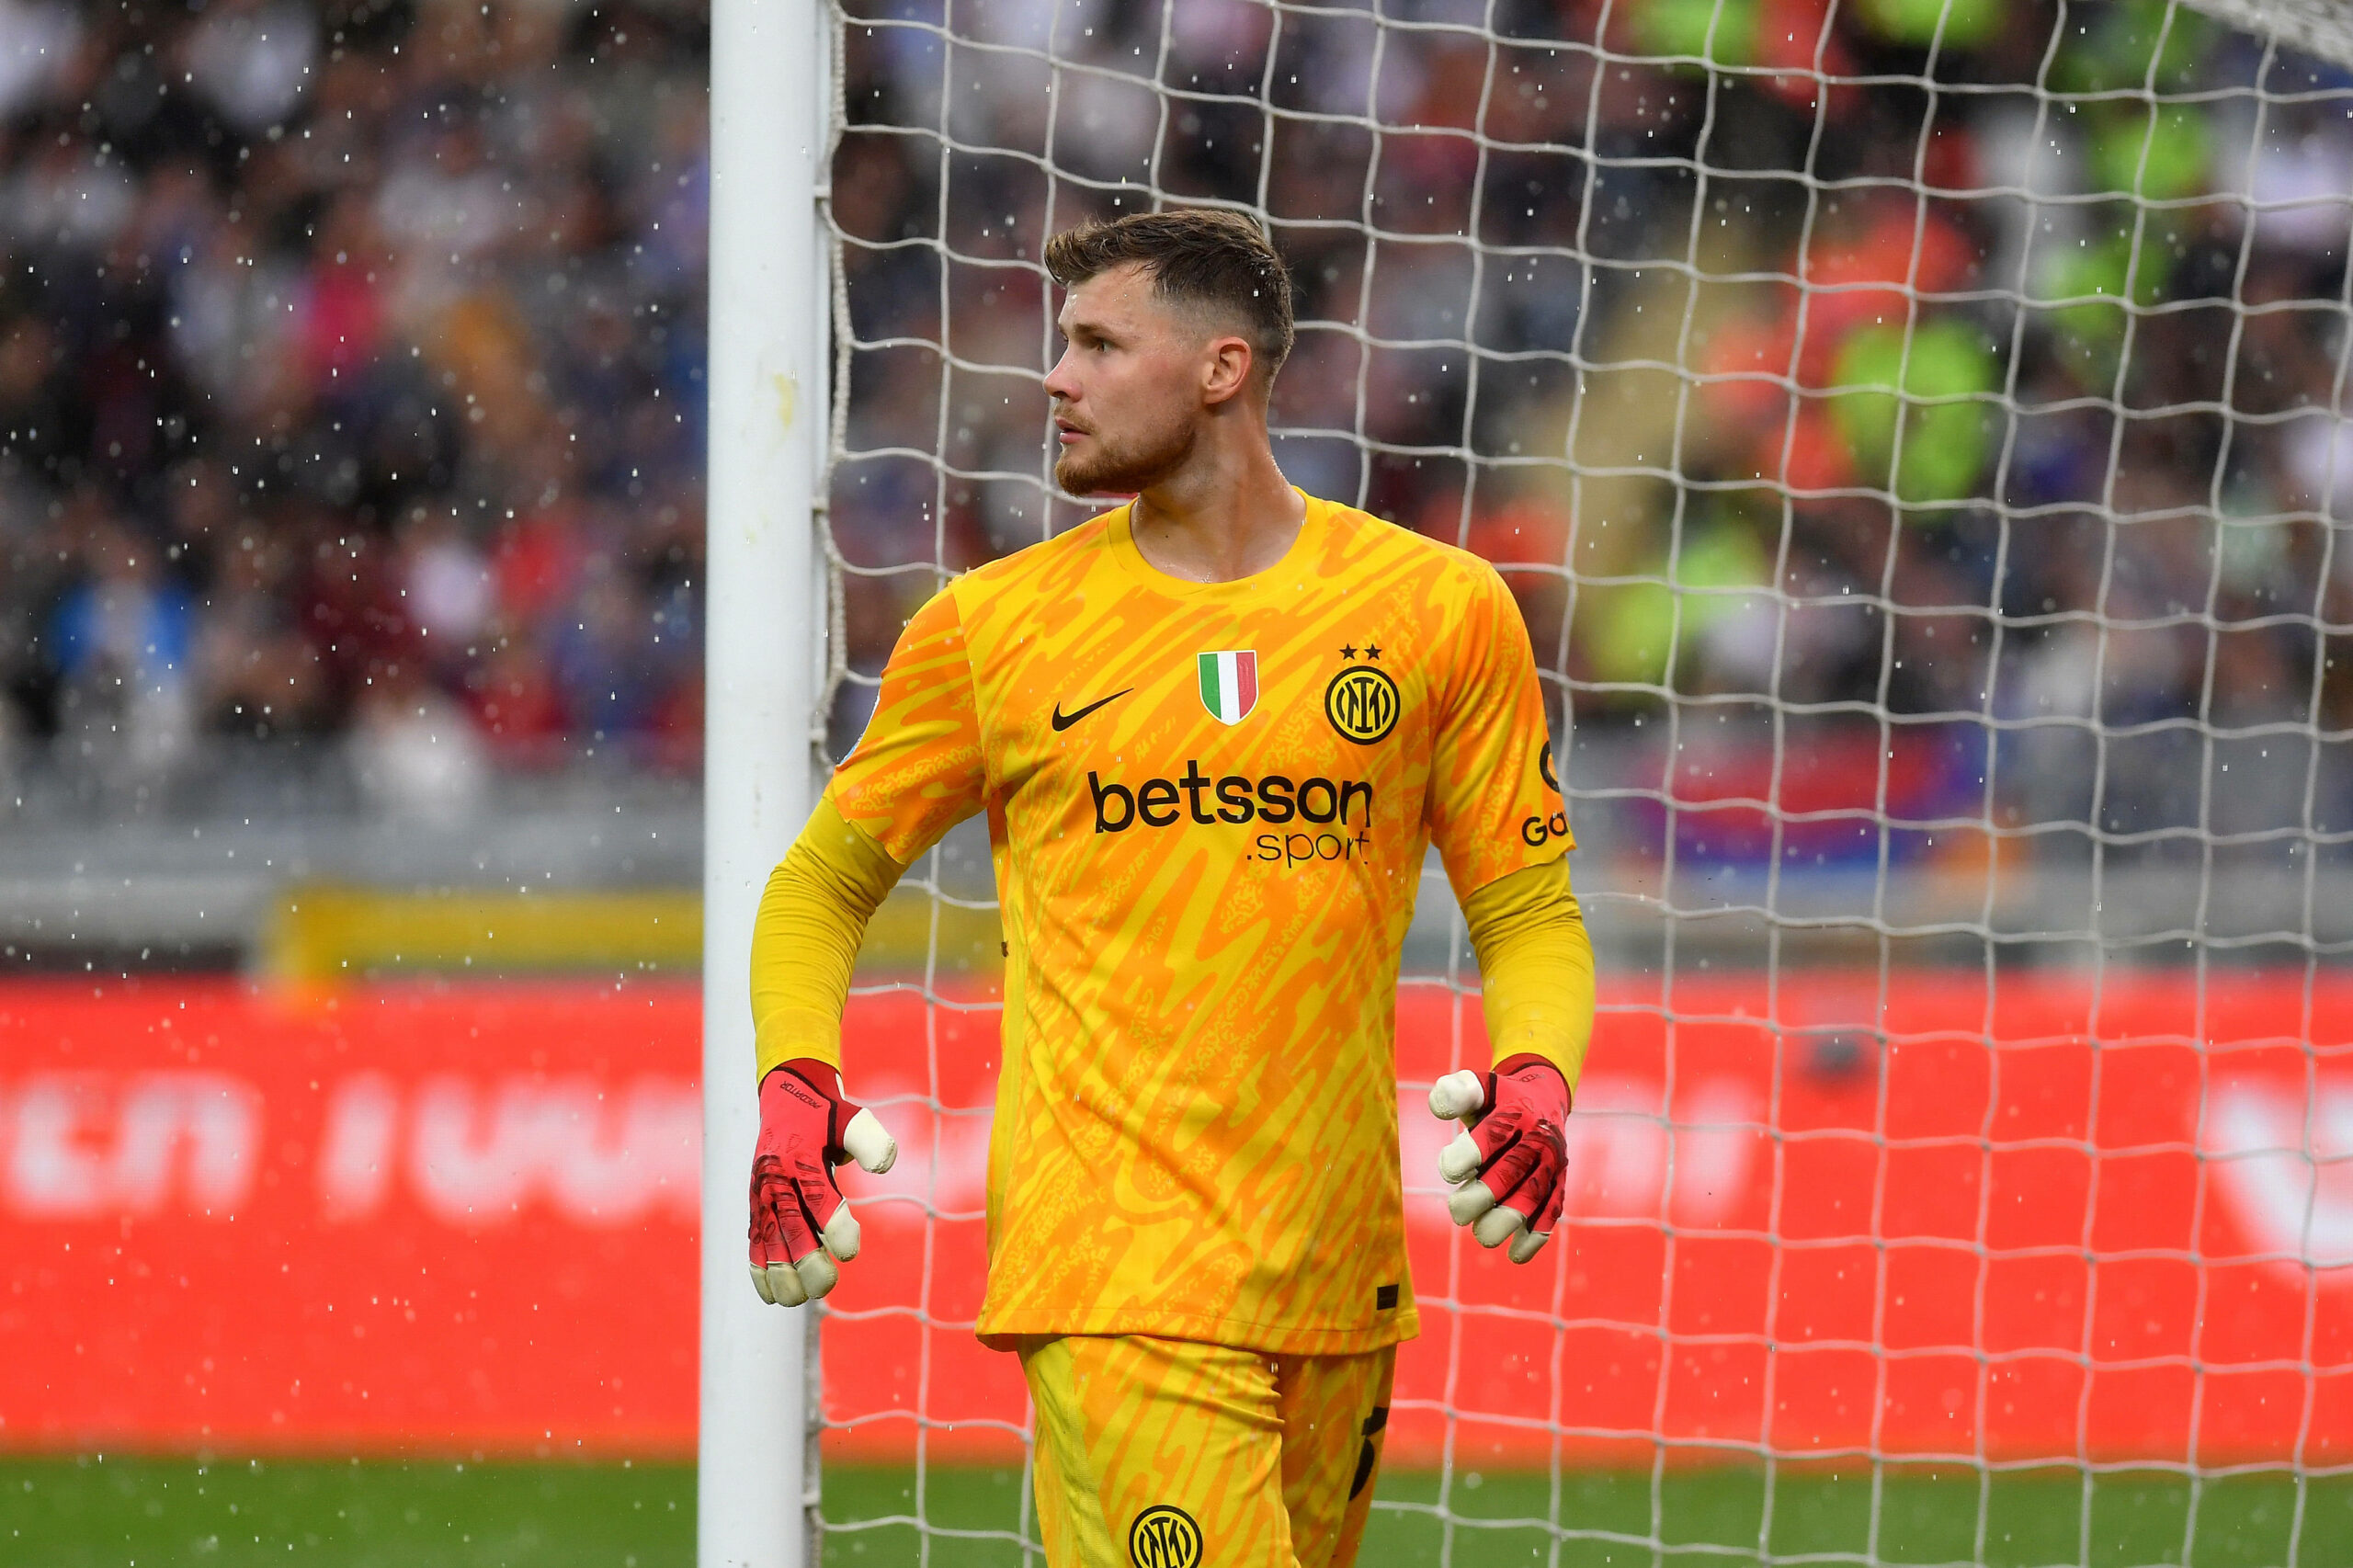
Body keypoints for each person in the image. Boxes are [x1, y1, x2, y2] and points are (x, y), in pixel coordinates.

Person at [744, 209, 1596, 1568]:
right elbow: (820, 884)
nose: (1056, 378)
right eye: (1059, 343)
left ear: (1221, 368)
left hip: (1338, 1272)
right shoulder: (993, 628)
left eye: (1096, 342)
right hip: (1115, 1265)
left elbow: (1529, 907)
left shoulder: (1440, 610)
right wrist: (797, 1081)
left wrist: (1538, 1076)